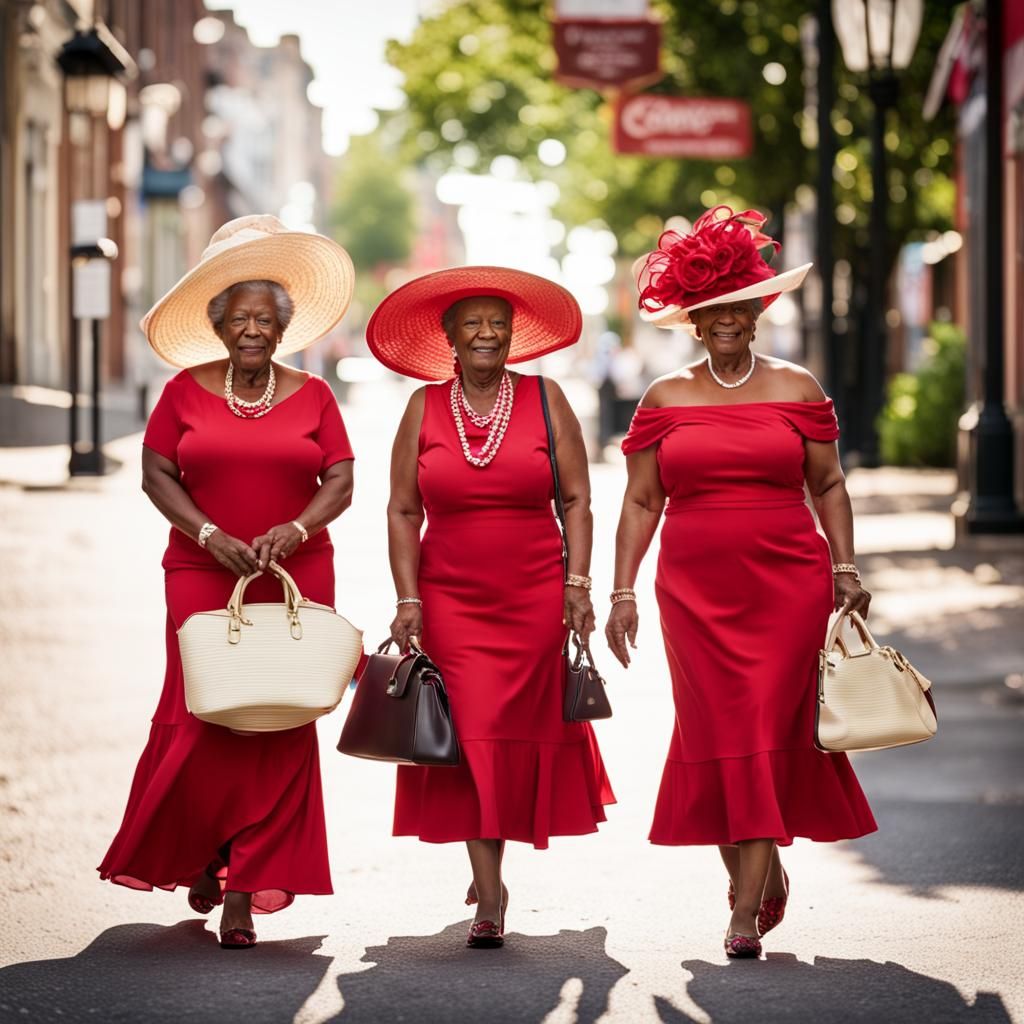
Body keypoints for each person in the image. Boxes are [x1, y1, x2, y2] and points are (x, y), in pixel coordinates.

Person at [604, 207, 876, 959]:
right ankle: (763, 870)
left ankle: (744, 911)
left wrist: (845, 566)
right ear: (694, 322)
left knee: (762, 725)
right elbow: (641, 499)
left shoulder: (797, 386)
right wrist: (621, 591)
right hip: (692, 591)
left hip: (788, 583)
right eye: (710, 311)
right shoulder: (664, 397)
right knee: (717, 735)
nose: (725, 321)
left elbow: (828, 484)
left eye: (738, 308)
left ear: (758, 313)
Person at [98, 215, 357, 950]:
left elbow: (340, 478)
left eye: (266, 318)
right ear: (218, 325)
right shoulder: (182, 392)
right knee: (205, 714)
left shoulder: (313, 395)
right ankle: (206, 852)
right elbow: (156, 472)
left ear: (284, 328)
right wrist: (208, 534)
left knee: (278, 718)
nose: (252, 329)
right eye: (239, 317)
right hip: (199, 571)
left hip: (296, 573)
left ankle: (244, 887)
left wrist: (297, 529)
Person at [366, 267, 615, 949]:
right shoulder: (422, 407)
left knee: (509, 729)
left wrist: (579, 585)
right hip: (450, 595)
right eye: (471, 323)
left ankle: (489, 859)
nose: (486, 333)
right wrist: (408, 595)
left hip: (534, 592)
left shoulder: (544, 398)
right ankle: (492, 890)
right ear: (449, 336)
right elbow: (402, 507)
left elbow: (577, 502)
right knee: (469, 733)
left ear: (513, 337)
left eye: (497, 324)